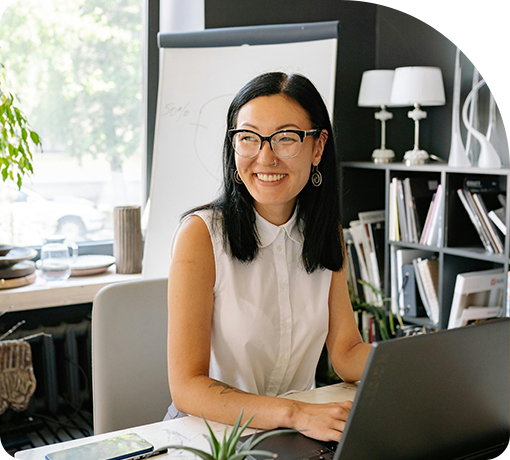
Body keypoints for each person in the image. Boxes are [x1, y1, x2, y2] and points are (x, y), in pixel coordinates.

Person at [165, 71, 371, 442]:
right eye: (248, 138)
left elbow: (346, 351)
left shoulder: (326, 234)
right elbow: (187, 387)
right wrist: (293, 413)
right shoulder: (200, 236)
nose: (265, 157)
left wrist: (418, 367)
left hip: (294, 433)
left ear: (318, 147)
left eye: (286, 139)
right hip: (211, 436)